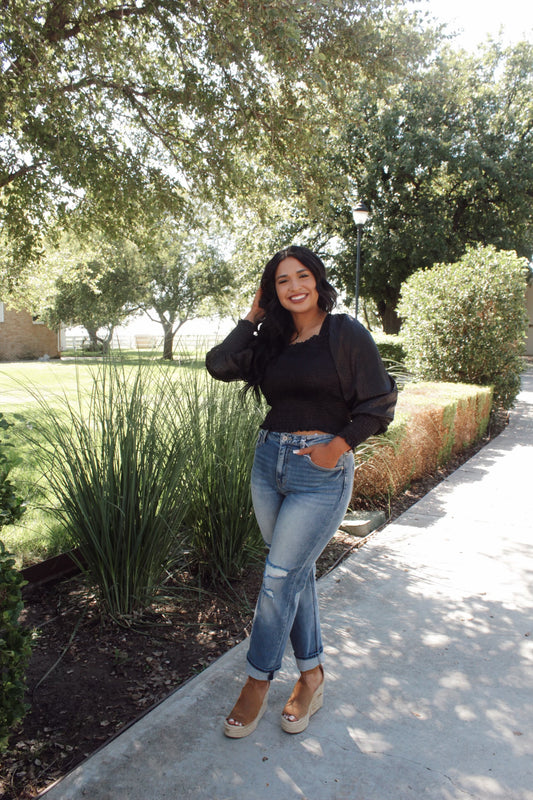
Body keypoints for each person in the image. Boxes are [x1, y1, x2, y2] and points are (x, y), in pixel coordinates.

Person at [206, 245, 397, 738]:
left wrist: (338, 446)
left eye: (302, 276)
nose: (294, 287)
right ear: (272, 290)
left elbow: (379, 402)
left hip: (319, 473)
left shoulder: (344, 332)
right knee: (292, 575)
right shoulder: (272, 339)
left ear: (318, 280)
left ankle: (257, 681)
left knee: (278, 578)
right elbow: (220, 364)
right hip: (268, 464)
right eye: (282, 280)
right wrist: (253, 316)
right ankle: (312, 676)